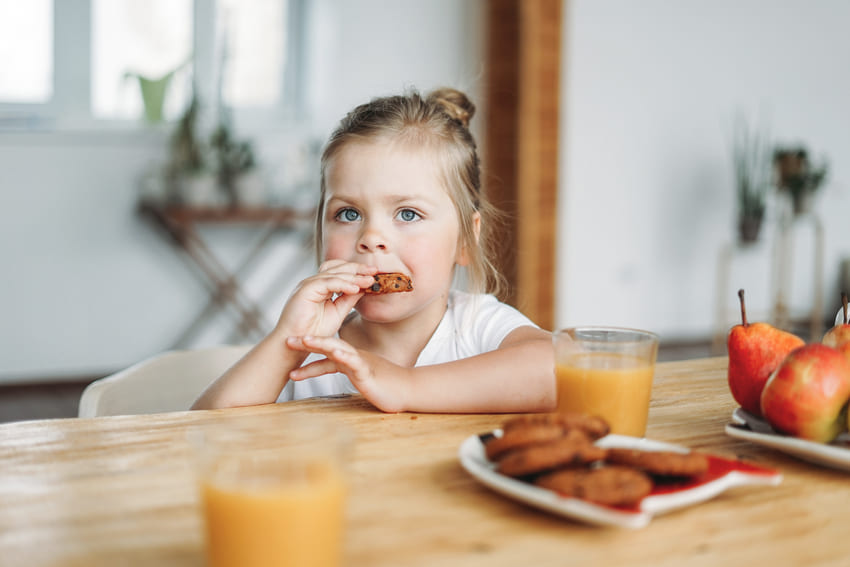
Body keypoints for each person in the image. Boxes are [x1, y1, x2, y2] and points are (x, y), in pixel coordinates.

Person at [192, 87, 555, 413]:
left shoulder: (476, 326)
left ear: (464, 240)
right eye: (348, 214)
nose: (370, 237)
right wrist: (288, 343)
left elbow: (560, 368)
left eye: (408, 214)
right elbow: (203, 431)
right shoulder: (313, 349)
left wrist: (405, 386)